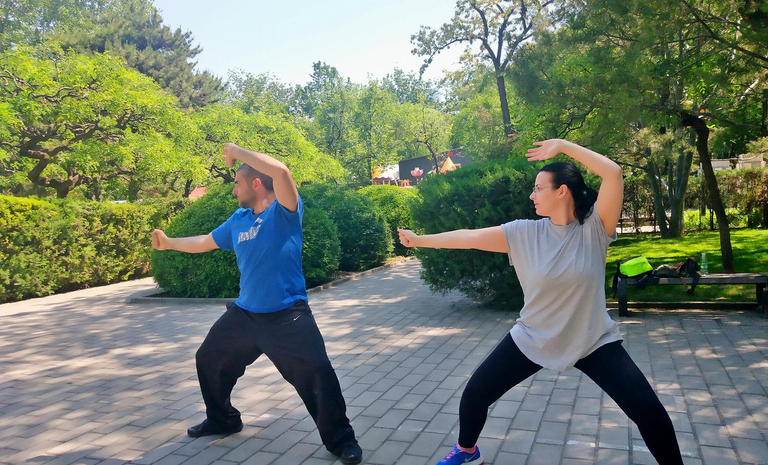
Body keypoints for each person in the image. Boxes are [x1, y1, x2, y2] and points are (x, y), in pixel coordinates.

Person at [398, 139, 684, 465]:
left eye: (538, 188)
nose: (531, 196)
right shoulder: (523, 233)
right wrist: (420, 240)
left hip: (591, 340)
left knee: (650, 413)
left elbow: (613, 173)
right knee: (475, 394)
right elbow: (469, 236)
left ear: (562, 191)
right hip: (533, 337)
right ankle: (467, 450)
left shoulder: (594, 229)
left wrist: (563, 146)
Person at [151, 143, 362, 465]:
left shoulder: (285, 213)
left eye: (236, 182)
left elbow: (281, 172)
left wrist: (236, 151)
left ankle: (341, 441)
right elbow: (206, 242)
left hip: (288, 315)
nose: (233, 190)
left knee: (318, 372)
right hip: (245, 315)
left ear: (255, 183)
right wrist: (168, 244)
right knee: (209, 358)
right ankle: (223, 419)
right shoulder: (239, 220)